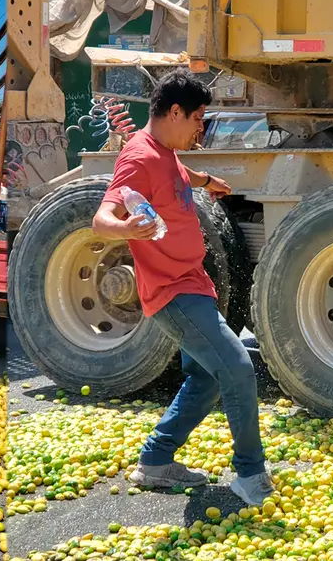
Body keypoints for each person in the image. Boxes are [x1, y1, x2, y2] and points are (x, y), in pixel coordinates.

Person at [90, 68, 275, 507]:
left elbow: (175, 172)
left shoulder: (164, 149)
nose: (200, 128)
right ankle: (250, 472)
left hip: (194, 283)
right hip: (173, 292)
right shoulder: (137, 158)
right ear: (175, 112)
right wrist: (126, 229)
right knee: (237, 367)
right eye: (197, 119)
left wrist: (207, 182)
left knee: (209, 378)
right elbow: (101, 219)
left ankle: (155, 461)